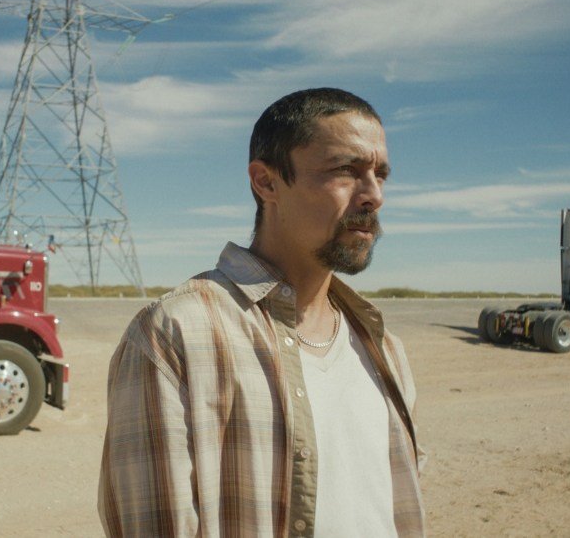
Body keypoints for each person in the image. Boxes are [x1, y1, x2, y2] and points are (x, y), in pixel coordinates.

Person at [98, 88, 424, 537]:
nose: (374, 195)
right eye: (346, 171)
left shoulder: (382, 346)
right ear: (266, 183)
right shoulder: (179, 335)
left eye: (380, 175)